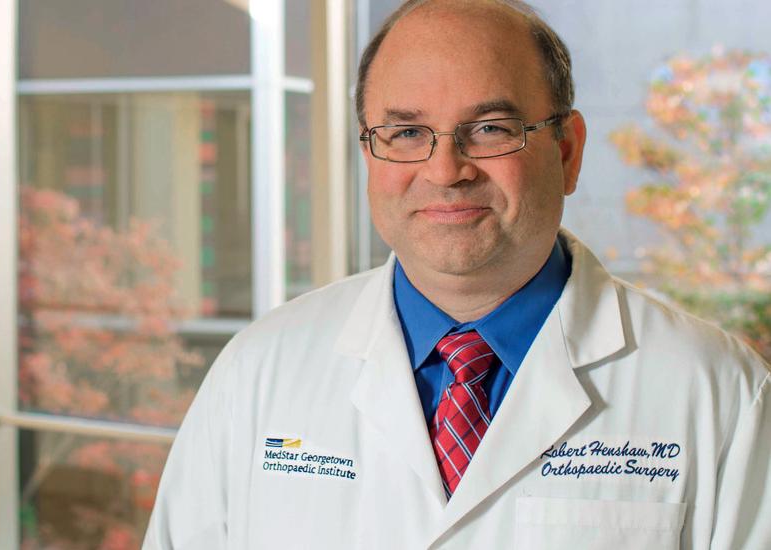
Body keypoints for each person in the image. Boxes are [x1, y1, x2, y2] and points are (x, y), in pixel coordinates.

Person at [142, 0, 771, 548]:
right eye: (408, 131)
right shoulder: (257, 372)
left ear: (568, 152)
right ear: (369, 151)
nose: (446, 170)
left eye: (490, 129)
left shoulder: (718, 393)